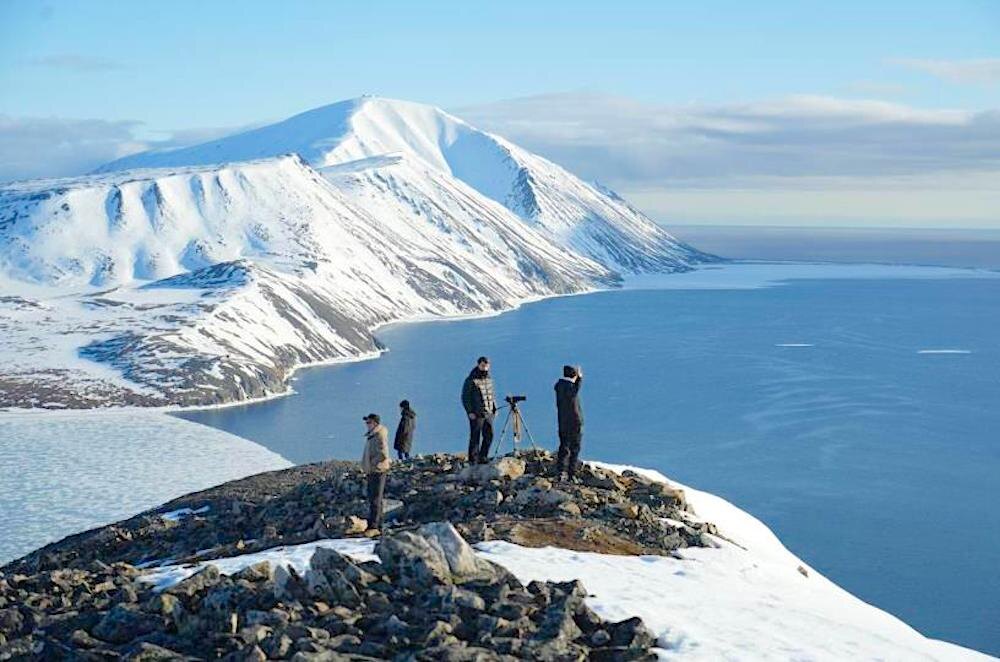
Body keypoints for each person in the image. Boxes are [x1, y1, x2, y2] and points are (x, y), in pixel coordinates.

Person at [461, 356, 497, 464]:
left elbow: (491, 395)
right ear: (478, 365)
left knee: (489, 435)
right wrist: (469, 411)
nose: (485, 368)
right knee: (475, 436)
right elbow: (465, 397)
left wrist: (494, 408)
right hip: (476, 414)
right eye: (483, 365)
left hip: (488, 413)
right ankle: (473, 459)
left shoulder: (489, 379)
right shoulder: (471, 380)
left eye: (486, 365)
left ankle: (483, 456)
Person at [360, 413, 391, 535]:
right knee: (372, 497)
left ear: (375, 423)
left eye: (369, 422)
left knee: (375, 498)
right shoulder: (373, 435)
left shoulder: (379, 435)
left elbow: (383, 453)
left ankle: (375, 526)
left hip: (378, 470)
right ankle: (375, 523)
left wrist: (373, 464)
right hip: (372, 470)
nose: (367, 425)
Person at [554, 364, 584, 479]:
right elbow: (574, 391)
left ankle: (561, 471)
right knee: (575, 448)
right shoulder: (569, 387)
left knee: (564, 446)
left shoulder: (559, 386)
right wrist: (580, 379)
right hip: (574, 422)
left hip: (562, 422)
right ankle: (572, 473)